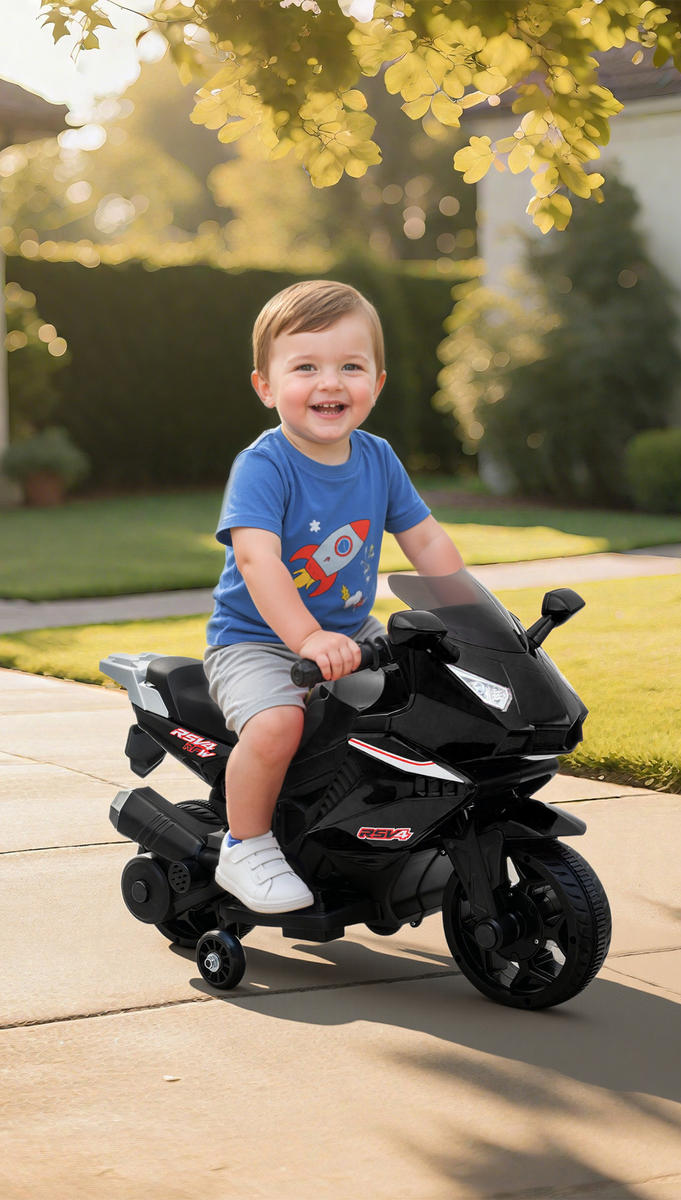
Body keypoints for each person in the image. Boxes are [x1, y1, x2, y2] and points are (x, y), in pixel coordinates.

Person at [205, 280, 464, 913]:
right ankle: (248, 844)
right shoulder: (265, 465)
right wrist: (307, 637)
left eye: (351, 366)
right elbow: (256, 557)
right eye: (306, 367)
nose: (330, 383)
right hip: (259, 642)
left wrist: (468, 611)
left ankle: (379, 820)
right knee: (276, 724)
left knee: (431, 692)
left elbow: (425, 539)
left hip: (354, 633)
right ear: (266, 386)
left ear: (377, 383)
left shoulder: (378, 458)